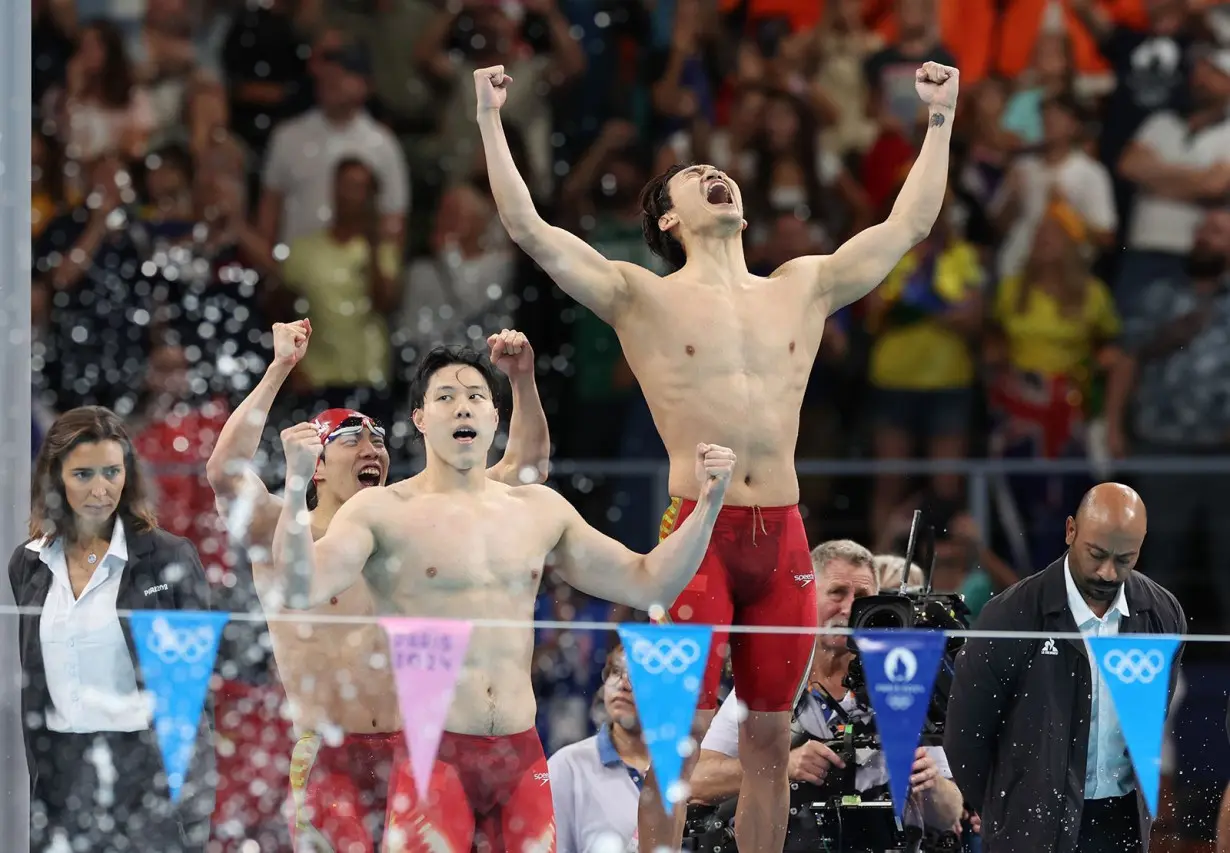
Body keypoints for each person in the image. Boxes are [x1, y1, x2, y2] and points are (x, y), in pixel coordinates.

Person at [476, 57, 960, 853]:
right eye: (696, 176)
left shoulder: (801, 284)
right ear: (667, 220)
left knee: (768, 747)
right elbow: (531, 229)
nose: (717, 176)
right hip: (695, 538)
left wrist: (938, 121)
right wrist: (493, 120)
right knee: (673, 749)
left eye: (720, 171)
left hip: (785, 541)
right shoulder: (643, 295)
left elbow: (905, 226)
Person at [273, 344, 736, 853]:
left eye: (475, 395)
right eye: (446, 397)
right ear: (420, 419)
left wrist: (708, 505)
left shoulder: (537, 510)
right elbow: (300, 586)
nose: (464, 406)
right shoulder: (381, 511)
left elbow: (650, 584)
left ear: (495, 416)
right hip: (433, 757)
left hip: (521, 757)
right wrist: (295, 485)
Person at [206, 321, 550, 851]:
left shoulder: (406, 524)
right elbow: (226, 472)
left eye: (379, 438)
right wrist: (279, 369)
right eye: (351, 437)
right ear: (315, 466)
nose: (372, 446)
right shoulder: (281, 532)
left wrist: (522, 381)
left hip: (419, 747)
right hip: (332, 754)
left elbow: (525, 472)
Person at [8, 406, 213, 852]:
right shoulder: (28, 562)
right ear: (55, 477)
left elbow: (193, 698)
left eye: (112, 472)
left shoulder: (169, 558)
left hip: (145, 778)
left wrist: (193, 809)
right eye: (83, 474)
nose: (101, 489)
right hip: (60, 780)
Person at [945, 482, 1188, 853]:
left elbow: (1151, 723)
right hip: (1028, 829)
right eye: (1096, 554)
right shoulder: (1011, 616)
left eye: (1125, 559)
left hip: (1121, 823)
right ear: (1070, 530)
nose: (1107, 572)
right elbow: (965, 738)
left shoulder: (1161, 615)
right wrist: (1004, 810)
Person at [690, 540, 963, 845]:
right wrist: (783, 766)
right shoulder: (768, 681)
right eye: (837, 593)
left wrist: (932, 785)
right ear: (806, 598)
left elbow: (949, 814)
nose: (848, 609)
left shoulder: (901, 680)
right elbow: (697, 779)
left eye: (862, 597)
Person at [548, 643, 649, 853]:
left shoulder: (689, 766)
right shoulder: (567, 766)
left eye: (638, 675)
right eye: (615, 672)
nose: (623, 685)